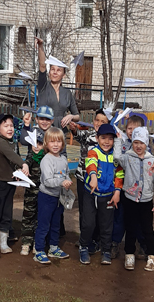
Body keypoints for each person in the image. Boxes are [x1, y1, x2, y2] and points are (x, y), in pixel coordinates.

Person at [118, 125, 154, 271]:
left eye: (141, 143)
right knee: (130, 228)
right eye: (136, 142)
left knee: (147, 229)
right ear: (132, 142)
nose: (138, 146)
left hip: (146, 201)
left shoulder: (152, 160)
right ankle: (129, 254)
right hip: (130, 199)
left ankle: (152, 255)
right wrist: (119, 141)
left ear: (146, 144)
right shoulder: (127, 158)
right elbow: (117, 157)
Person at [79, 123, 123, 266]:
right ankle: (84, 246)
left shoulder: (116, 156)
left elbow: (119, 174)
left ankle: (106, 250)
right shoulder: (94, 152)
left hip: (108, 196)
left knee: (106, 225)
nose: (106, 142)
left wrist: (117, 192)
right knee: (89, 223)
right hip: (91, 194)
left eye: (110, 139)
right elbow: (91, 163)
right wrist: (93, 177)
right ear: (97, 138)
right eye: (103, 138)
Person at [0, 113, 29, 254]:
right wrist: (23, 164)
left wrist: (17, 170)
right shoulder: (1, 143)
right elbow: (12, 156)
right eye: (5, 126)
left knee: (7, 212)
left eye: (11, 125)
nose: (10, 128)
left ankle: (3, 243)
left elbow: (11, 161)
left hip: (10, 182)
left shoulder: (12, 142)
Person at [34, 126, 72, 265]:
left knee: (56, 224)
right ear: (46, 143)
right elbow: (47, 181)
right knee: (44, 224)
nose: (55, 145)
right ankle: (38, 250)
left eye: (58, 141)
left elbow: (67, 173)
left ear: (63, 143)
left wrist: (67, 181)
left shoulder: (63, 159)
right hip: (47, 197)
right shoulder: (47, 160)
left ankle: (53, 247)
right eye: (52, 141)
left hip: (59, 198)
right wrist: (63, 181)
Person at [74, 109, 110, 254]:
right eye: (97, 120)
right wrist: (72, 127)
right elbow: (76, 133)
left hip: (100, 182)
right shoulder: (87, 135)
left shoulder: (108, 140)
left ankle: (96, 240)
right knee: (85, 211)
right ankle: (85, 239)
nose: (99, 123)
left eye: (103, 122)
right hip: (83, 178)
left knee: (99, 212)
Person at [19, 105, 54, 255]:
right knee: (29, 212)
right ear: (37, 119)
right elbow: (23, 140)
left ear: (52, 121)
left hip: (46, 184)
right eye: (41, 118)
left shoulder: (52, 134)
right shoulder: (33, 131)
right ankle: (26, 241)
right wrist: (26, 125)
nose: (44, 122)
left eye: (47, 119)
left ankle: (39, 242)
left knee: (42, 214)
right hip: (31, 182)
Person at [35, 37, 79, 129]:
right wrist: (40, 46)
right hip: (45, 130)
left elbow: (77, 116)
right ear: (49, 72)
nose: (55, 72)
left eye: (58, 70)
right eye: (52, 69)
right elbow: (42, 65)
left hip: (60, 132)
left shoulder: (67, 93)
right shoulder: (43, 86)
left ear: (63, 75)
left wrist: (71, 116)